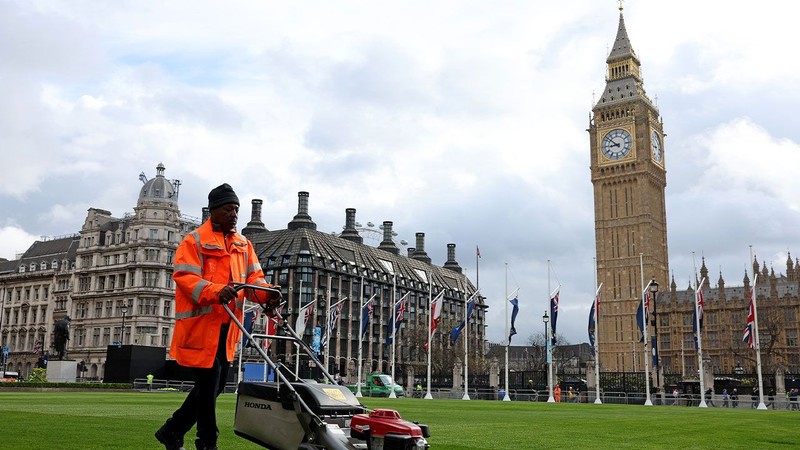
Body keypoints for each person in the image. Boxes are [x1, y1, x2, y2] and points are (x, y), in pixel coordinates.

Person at [155, 184, 280, 450]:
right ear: (213, 211)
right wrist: (216, 291)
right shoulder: (194, 241)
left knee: (215, 386)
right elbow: (185, 278)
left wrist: (268, 295)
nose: (234, 214)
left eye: (236, 209)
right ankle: (207, 443)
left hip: (226, 329)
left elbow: (254, 281)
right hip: (201, 327)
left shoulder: (243, 245)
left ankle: (172, 429)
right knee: (210, 385)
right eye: (228, 209)